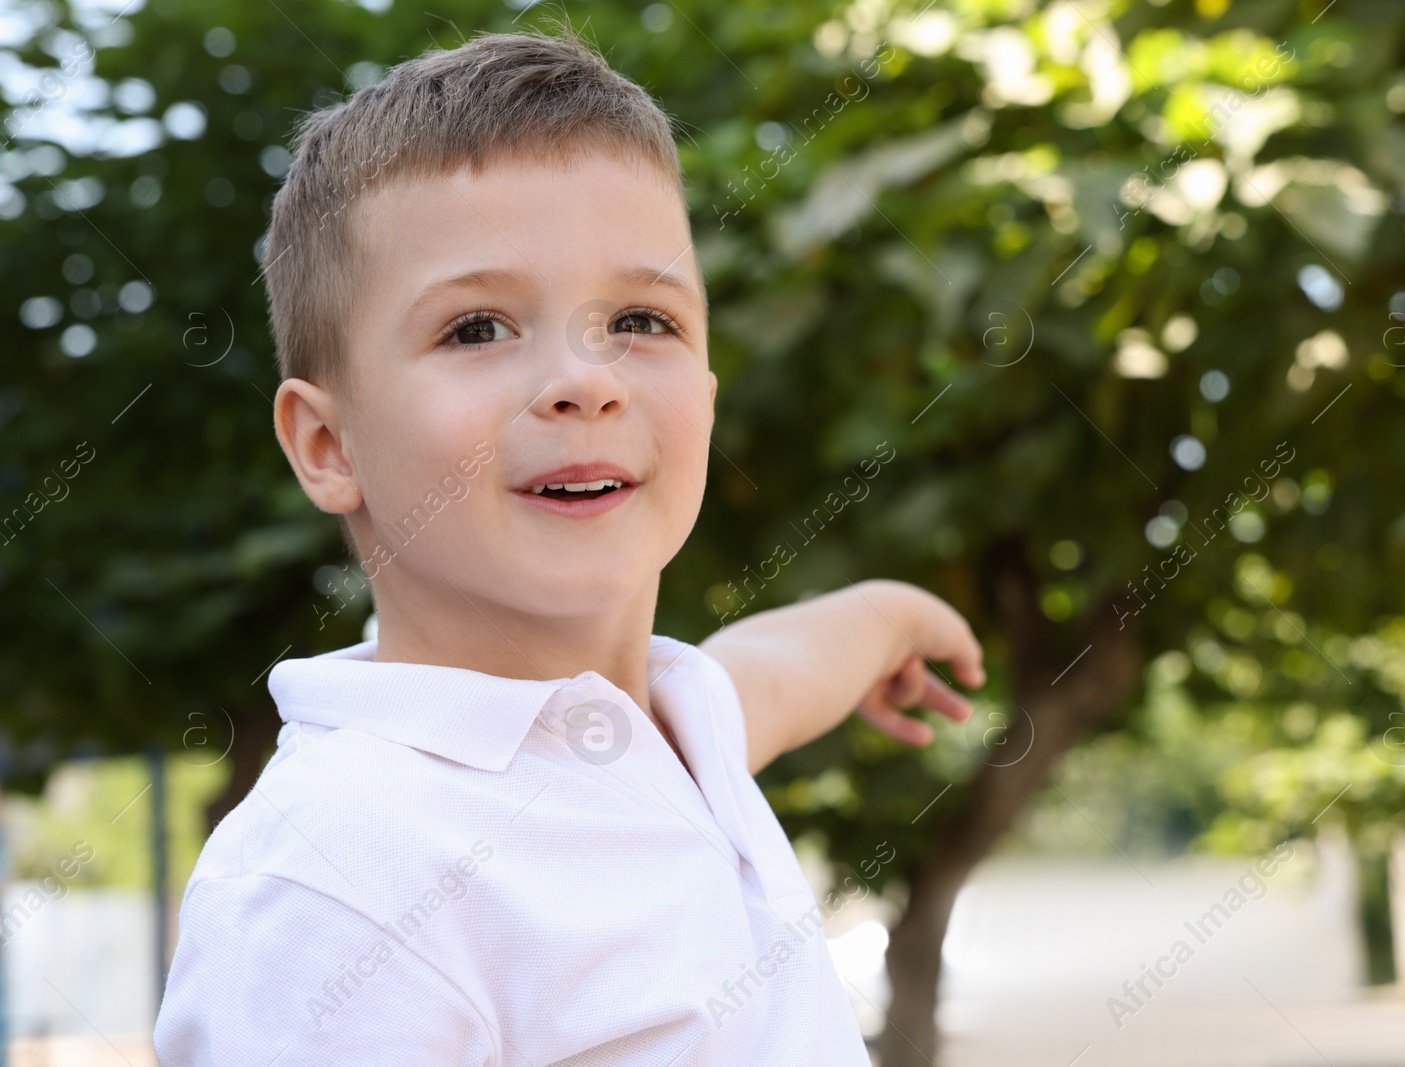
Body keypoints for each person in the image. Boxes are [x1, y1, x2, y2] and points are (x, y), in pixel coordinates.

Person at [152, 26, 986, 1067]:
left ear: (709, 398)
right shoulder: (331, 876)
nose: (586, 379)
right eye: (476, 329)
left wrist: (889, 617)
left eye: (640, 318)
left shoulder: (676, 724)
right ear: (329, 444)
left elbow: (772, 672)